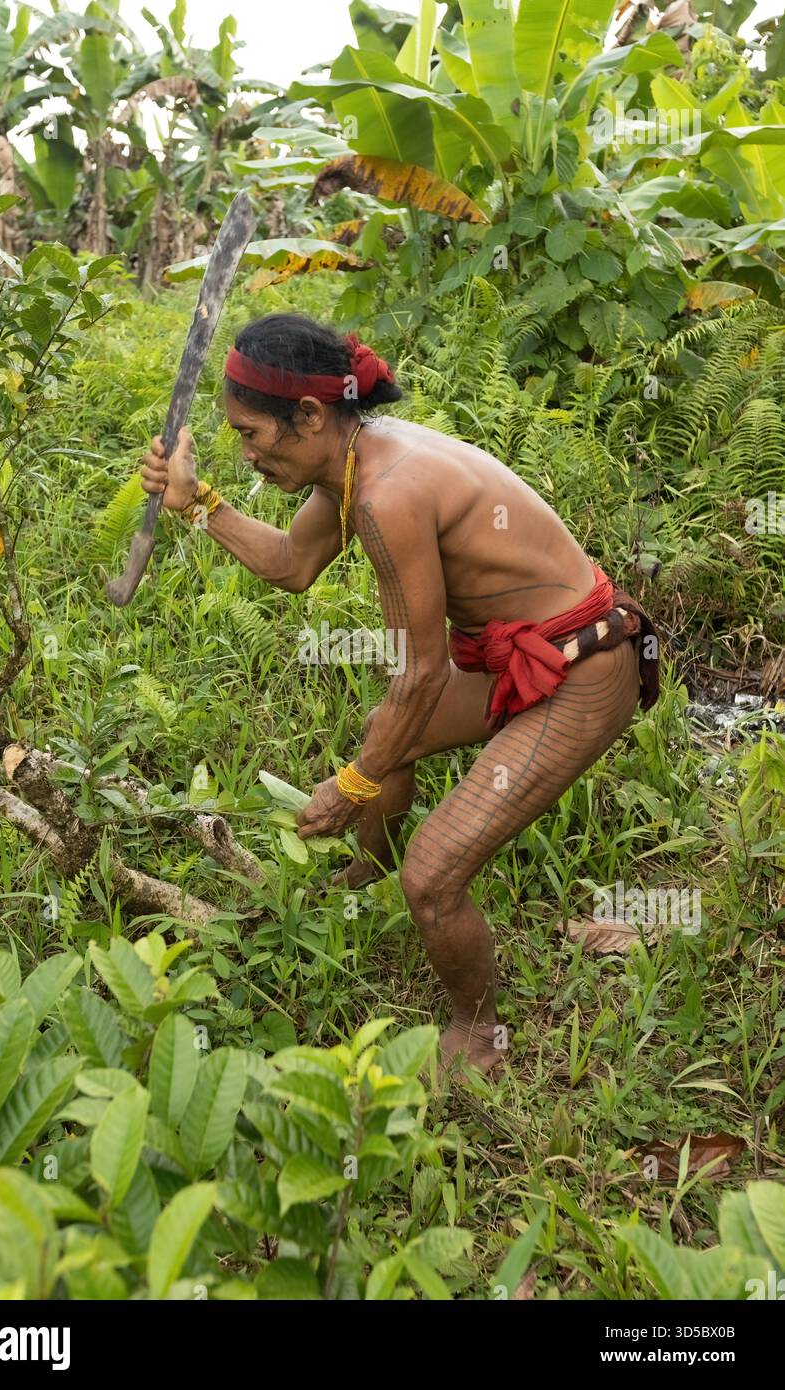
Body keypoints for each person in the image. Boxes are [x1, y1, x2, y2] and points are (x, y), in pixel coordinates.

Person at [140, 312, 659, 1074]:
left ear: (309, 416)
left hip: (579, 675)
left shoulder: (386, 496)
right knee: (391, 736)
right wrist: (198, 503)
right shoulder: (353, 463)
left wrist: (351, 786)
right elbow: (289, 563)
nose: (245, 453)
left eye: (250, 435)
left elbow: (418, 679)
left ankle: (480, 1033)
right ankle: (366, 876)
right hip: (522, 658)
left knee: (432, 868)